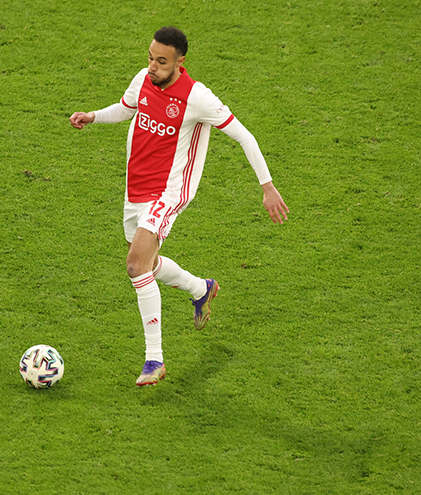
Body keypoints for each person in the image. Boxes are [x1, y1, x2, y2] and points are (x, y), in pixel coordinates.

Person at [69, 26, 290, 387]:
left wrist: (267, 186)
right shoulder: (143, 79)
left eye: (162, 61)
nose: (153, 67)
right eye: (151, 58)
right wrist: (93, 115)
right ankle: (201, 289)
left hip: (168, 192)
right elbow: (126, 109)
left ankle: (154, 359)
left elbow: (243, 135)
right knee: (149, 267)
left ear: (180, 61)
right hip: (135, 190)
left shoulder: (196, 97)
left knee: (135, 264)